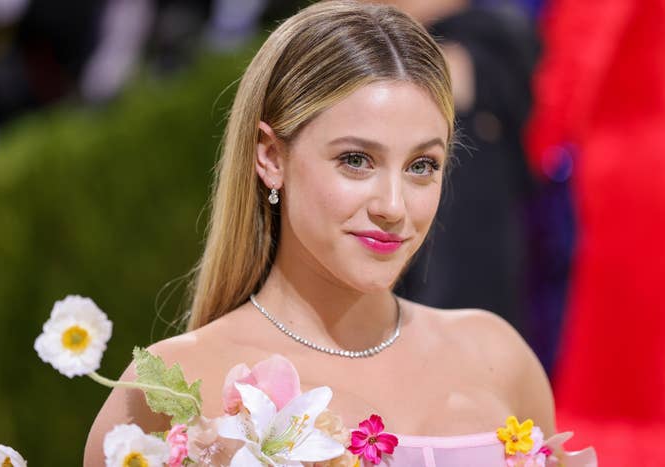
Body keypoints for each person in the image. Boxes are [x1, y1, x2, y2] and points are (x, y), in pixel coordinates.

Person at [84, 1, 555, 465]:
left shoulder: (500, 357)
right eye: (355, 160)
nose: (393, 206)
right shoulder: (174, 388)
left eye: (421, 166)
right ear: (270, 157)